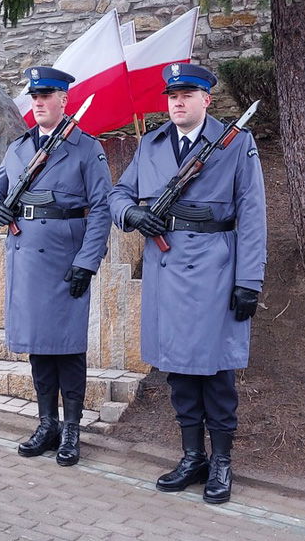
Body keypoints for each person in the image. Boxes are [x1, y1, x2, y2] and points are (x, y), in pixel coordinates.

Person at [108, 63, 267, 504]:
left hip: (216, 269)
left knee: (215, 372)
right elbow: (118, 194)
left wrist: (249, 280)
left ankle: (221, 462)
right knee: (178, 371)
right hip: (167, 265)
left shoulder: (235, 144)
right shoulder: (153, 143)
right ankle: (192, 456)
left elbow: (252, 216)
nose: (177, 102)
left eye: (187, 95)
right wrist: (132, 214)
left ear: (205, 100)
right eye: (172, 96)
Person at [0, 66, 112, 467]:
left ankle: (72, 429)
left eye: (46, 97)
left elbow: (102, 208)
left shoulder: (85, 148)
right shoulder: (19, 148)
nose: (38, 103)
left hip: (65, 259)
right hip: (27, 258)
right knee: (39, 346)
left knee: (68, 348)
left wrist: (87, 263)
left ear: (63, 100)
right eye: (34, 97)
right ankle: (47, 424)